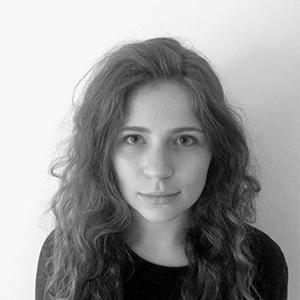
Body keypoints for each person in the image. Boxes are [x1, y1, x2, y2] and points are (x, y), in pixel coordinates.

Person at [35, 37, 288, 300]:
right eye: (133, 139)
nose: (158, 170)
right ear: (103, 152)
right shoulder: (67, 254)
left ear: (217, 150)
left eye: (184, 140)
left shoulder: (259, 263)